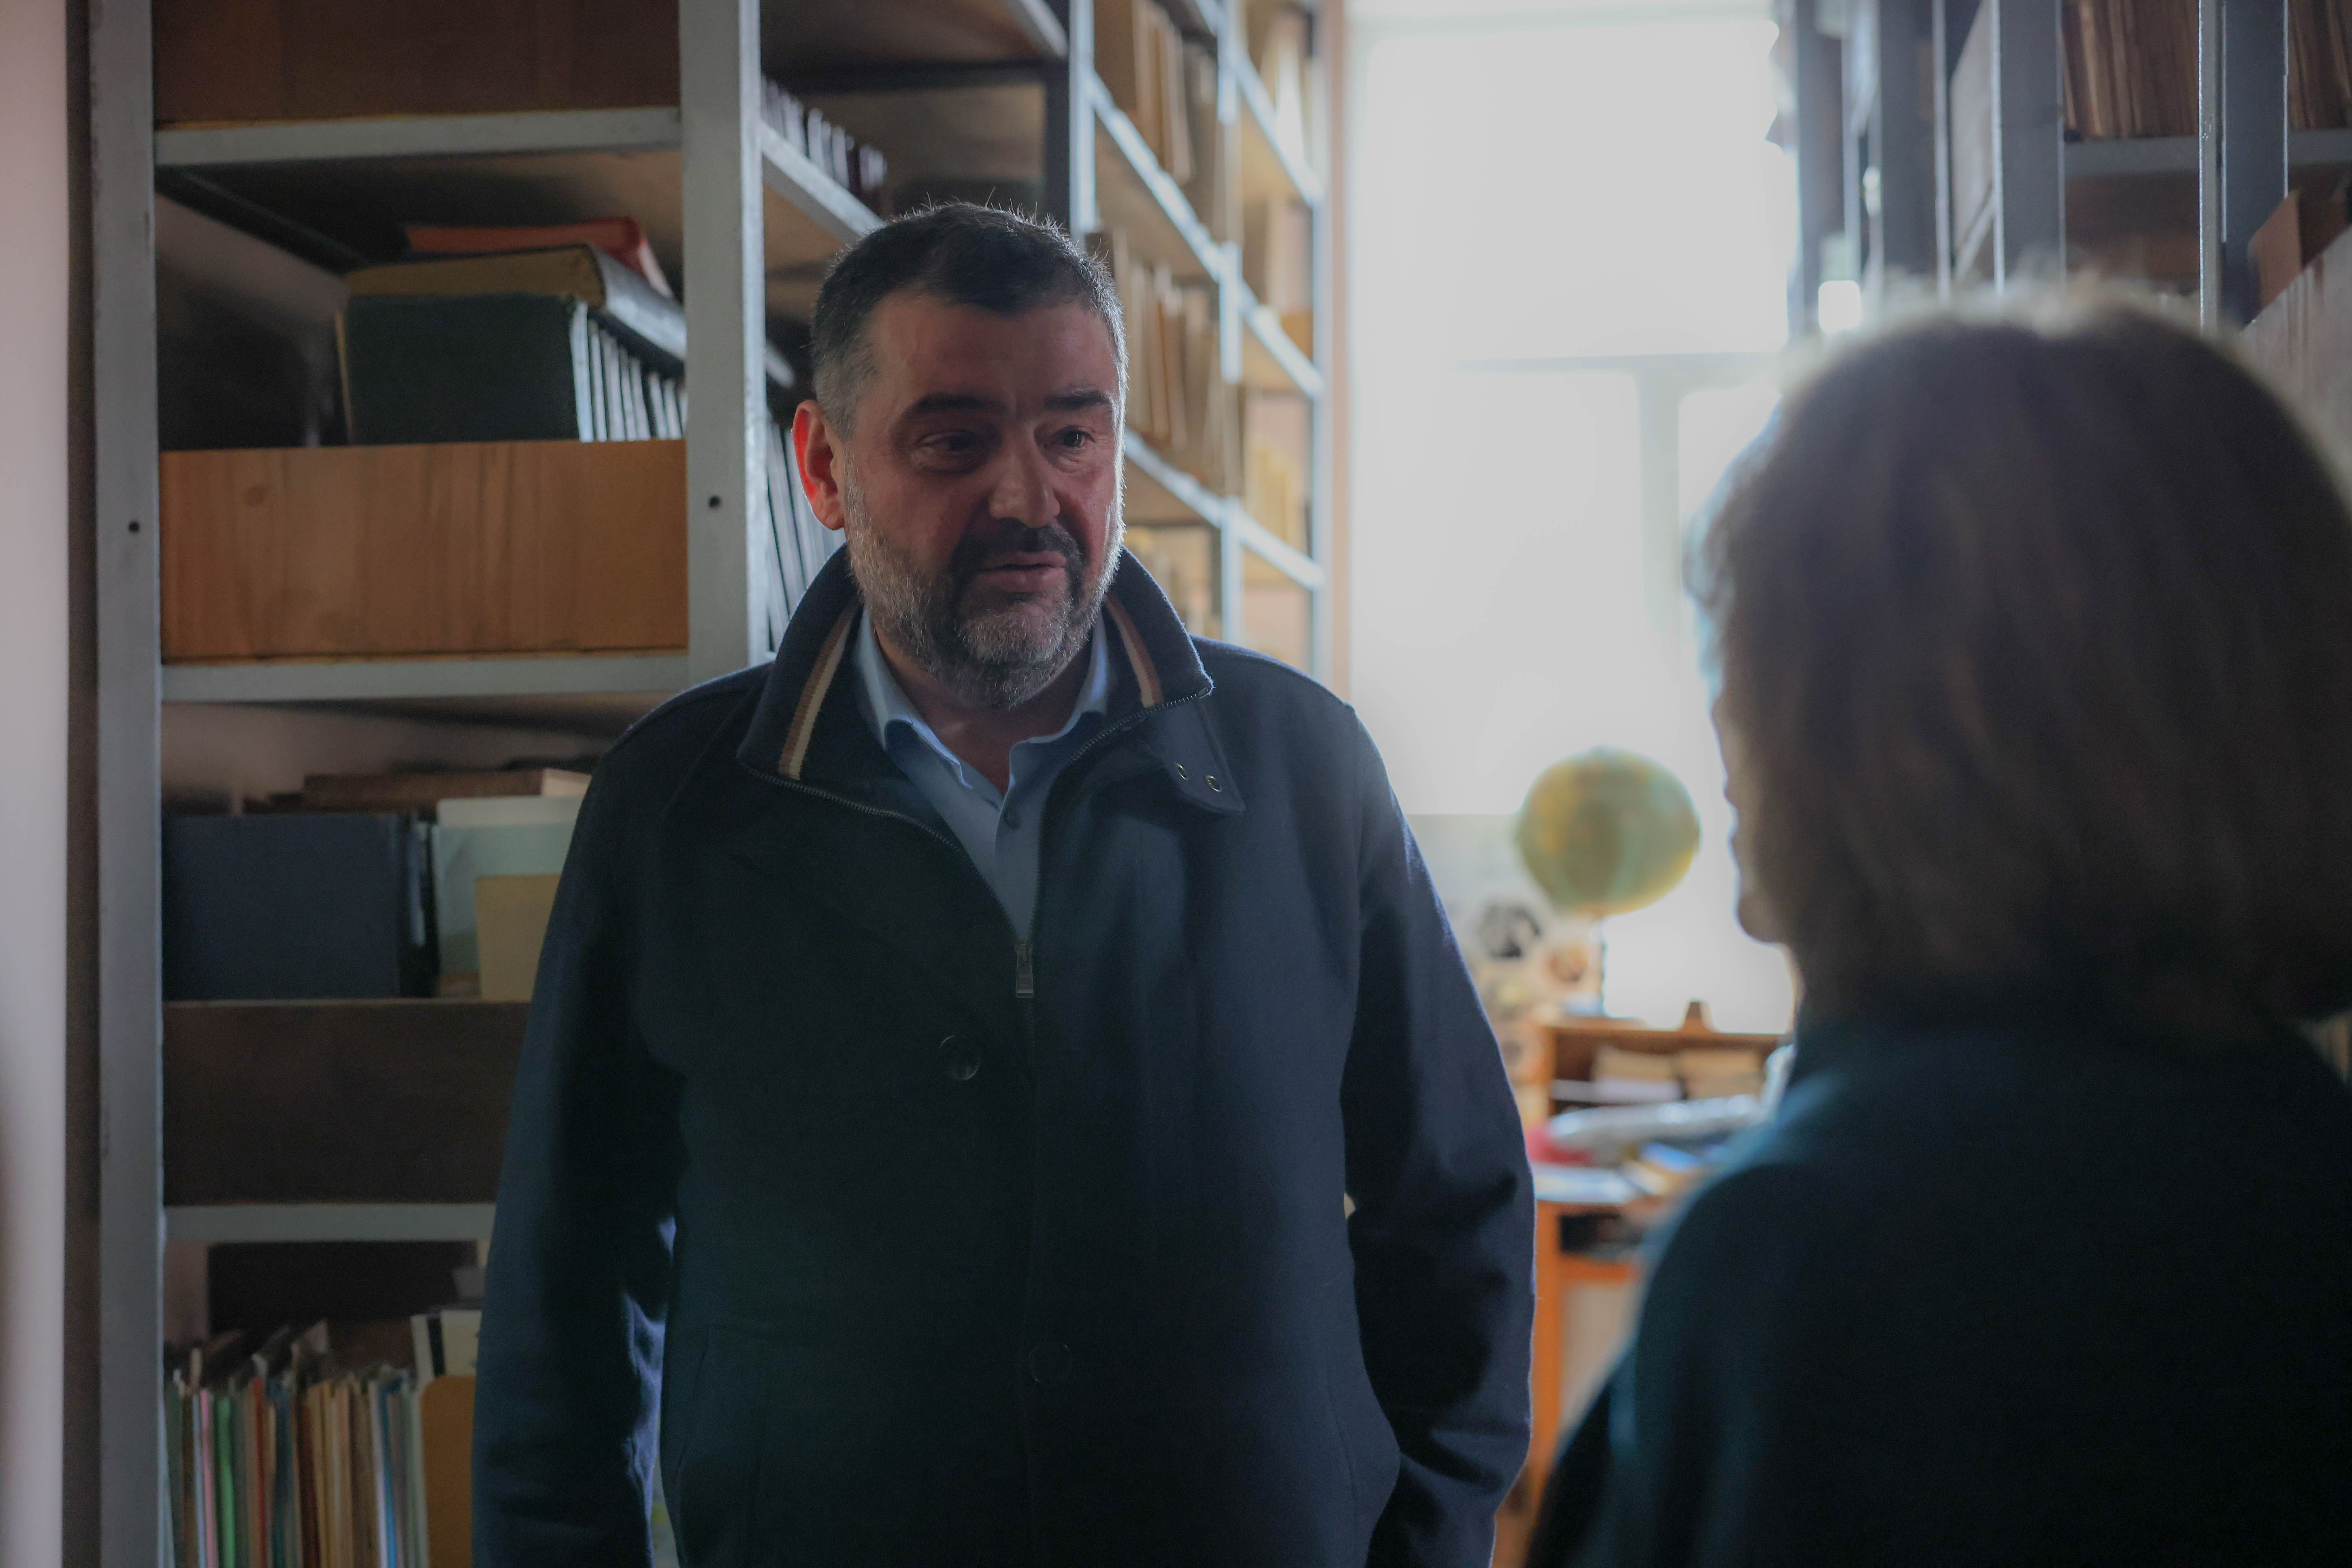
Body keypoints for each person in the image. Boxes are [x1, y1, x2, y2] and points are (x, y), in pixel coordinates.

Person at [472, 203, 1534, 1568]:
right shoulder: (677, 809)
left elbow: (1455, 1210)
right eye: (956, 441)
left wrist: (1428, 1540)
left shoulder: (1302, 774)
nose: (1030, 499)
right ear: (825, 467)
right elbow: (565, 1296)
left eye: (1073, 438)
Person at [1530, 301, 2352, 1567]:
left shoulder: (1818, 1260)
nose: (1729, 735)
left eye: (1758, 664)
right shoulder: (2303, 1162)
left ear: (1898, 735)